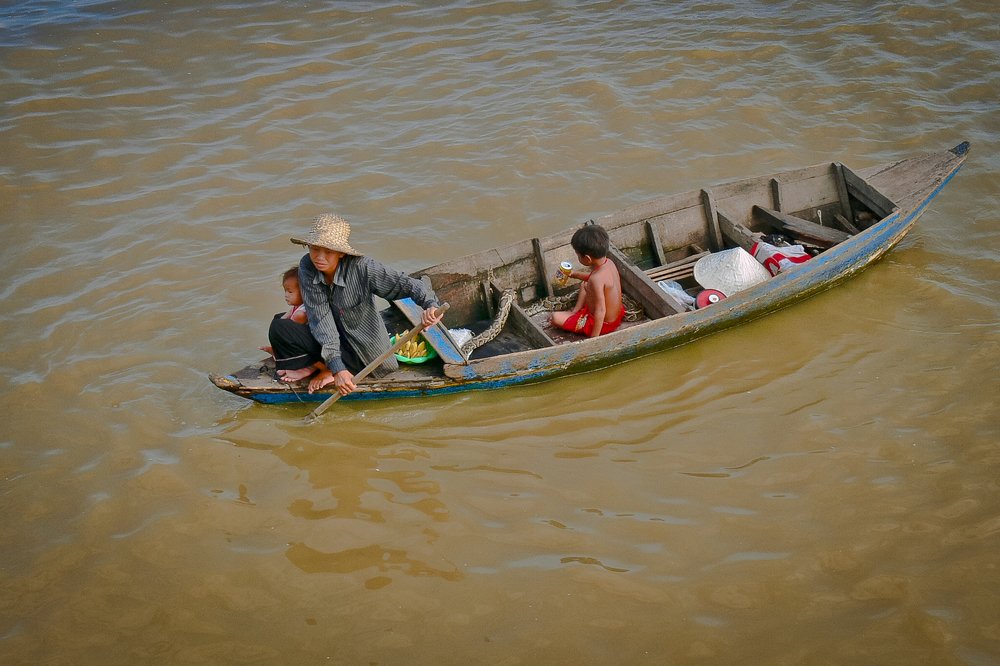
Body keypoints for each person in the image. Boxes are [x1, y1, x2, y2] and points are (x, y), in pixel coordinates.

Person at [290, 213, 443, 396]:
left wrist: (430, 305)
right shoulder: (307, 266)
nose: (319, 257)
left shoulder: (363, 268)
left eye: (328, 251)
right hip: (333, 342)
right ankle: (331, 368)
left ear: (341, 253)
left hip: (363, 351)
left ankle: (335, 369)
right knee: (281, 328)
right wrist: (338, 367)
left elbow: (408, 284)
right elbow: (321, 319)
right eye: (315, 249)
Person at [550, 224, 624, 338]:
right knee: (585, 283)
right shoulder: (609, 263)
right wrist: (574, 274)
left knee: (555, 318)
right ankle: (575, 311)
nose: (578, 258)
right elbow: (594, 279)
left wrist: (594, 339)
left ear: (588, 258)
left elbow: (600, 311)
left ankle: (577, 316)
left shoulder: (596, 279)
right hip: (617, 315)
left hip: (603, 324)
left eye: (578, 255)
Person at [262, 266, 328, 384]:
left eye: (290, 292)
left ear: (305, 293)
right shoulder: (298, 307)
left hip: (317, 350)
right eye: (285, 291)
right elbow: (282, 319)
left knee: (281, 329)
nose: (286, 295)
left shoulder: (301, 314)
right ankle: (279, 354)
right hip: (309, 343)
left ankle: (306, 366)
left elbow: (288, 336)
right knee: (277, 319)